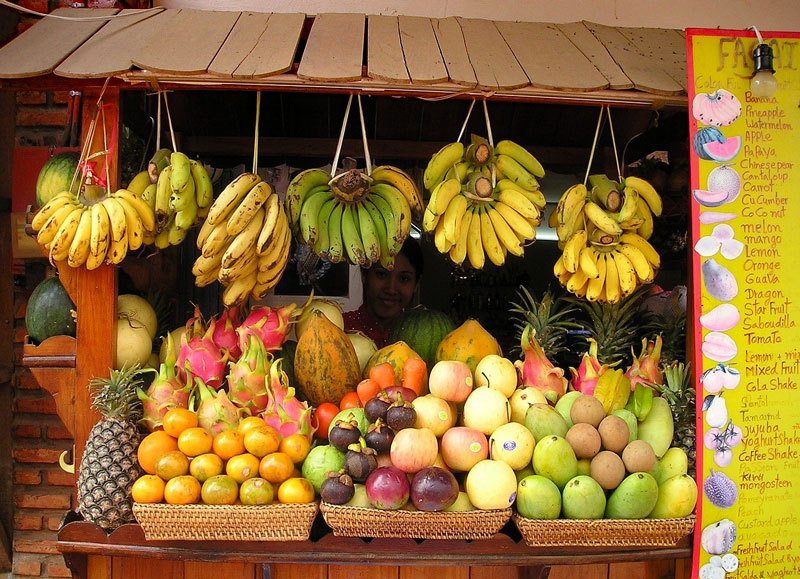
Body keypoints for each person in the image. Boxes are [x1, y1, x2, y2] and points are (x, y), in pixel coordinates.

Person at [343, 236, 424, 348]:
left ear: (416, 285)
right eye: (381, 274)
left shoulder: (423, 337)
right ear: (364, 275)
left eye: (404, 279)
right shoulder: (340, 328)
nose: (391, 289)